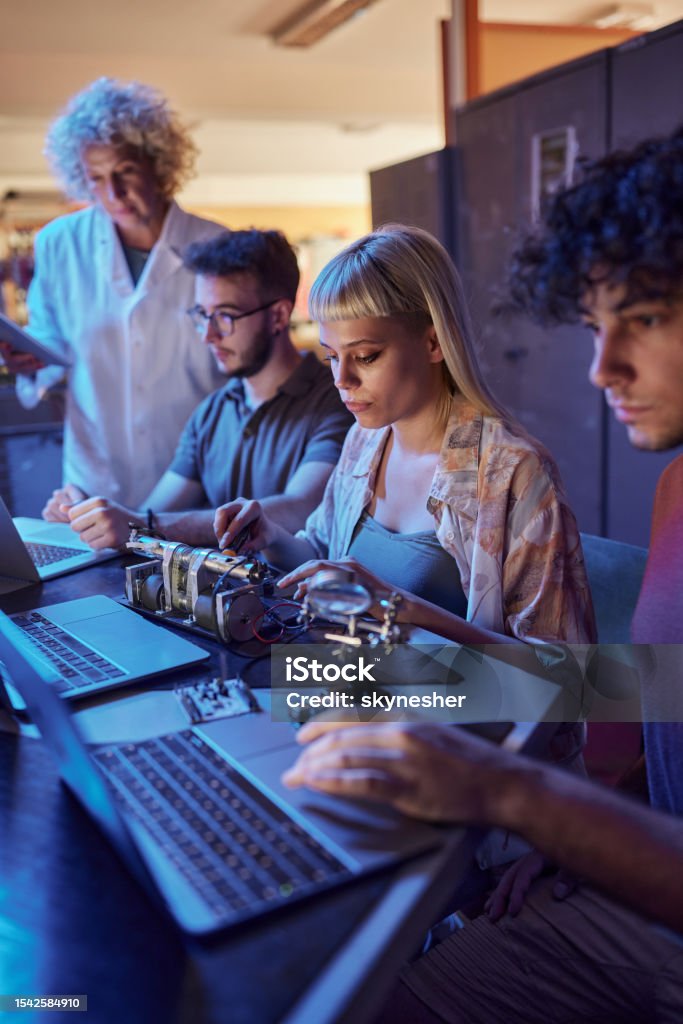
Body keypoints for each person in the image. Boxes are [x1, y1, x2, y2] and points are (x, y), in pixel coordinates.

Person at [283, 129, 683, 1022]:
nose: (599, 369)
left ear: (427, 342)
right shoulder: (673, 492)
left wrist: (534, 802)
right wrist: (586, 827)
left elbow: (562, 696)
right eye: (592, 327)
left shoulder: (509, 469)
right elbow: (636, 709)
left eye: (646, 318)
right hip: (578, 834)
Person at [215, 224, 595, 647]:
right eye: (331, 356)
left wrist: (396, 605)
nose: (342, 380)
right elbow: (327, 560)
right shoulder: (365, 441)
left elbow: (562, 678)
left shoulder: (513, 472)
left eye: (365, 356)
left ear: (434, 342)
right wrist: (271, 536)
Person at [42, 229, 353, 549]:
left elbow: (300, 508)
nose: (209, 335)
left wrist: (139, 525)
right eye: (203, 315)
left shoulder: (338, 400)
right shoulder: (213, 412)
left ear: (278, 315)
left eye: (225, 316)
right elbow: (155, 512)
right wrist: (87, 516)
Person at [0, 77, 226, 508]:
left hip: (196, 475)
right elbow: (50, 341)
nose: (113, 193)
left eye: (124, 172)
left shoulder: (216, 245)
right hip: (96, 474)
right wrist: (27, 360)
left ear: (158, 164)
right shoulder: (59, 243)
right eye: (97, 178)